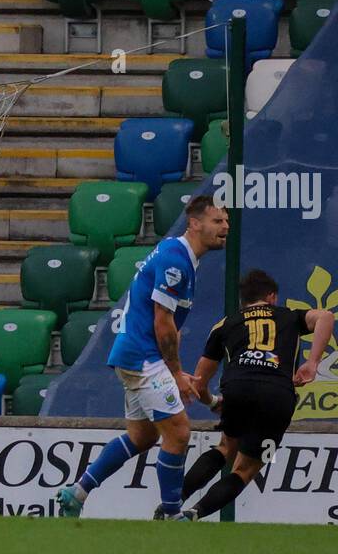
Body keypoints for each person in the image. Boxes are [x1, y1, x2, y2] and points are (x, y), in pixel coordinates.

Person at [53, 194, 228, 519]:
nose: (225, 227)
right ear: (194, 223)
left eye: (227, 221)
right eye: (218, 221)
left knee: (143, 436)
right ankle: (172, 515)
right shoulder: (176, 258)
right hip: (142, 357)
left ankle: (75, 494)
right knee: (178, 432)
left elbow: (167, 325)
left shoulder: (184, 257)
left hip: (139, 356)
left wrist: (176, 371)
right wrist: (174, 374)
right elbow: (162, 322)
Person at [170, 269, 335, 520]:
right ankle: (193, 514)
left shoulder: (225, 323)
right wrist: (312, 363)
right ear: (272, 296)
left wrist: (213, 402)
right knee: (245, 470)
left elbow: (199, 382)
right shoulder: (290, 316)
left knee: (226, 447)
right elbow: (326, 316)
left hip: (238, 387)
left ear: (243, 301)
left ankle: (171, 504)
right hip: (278, 394)